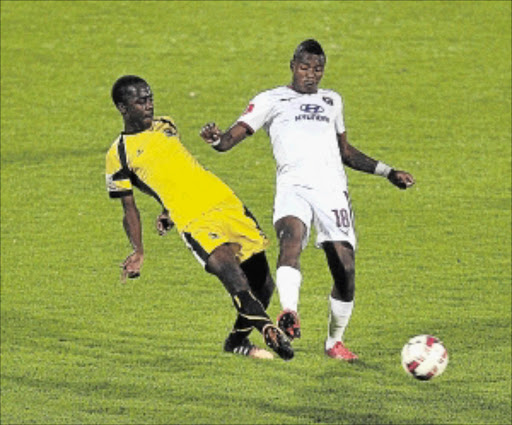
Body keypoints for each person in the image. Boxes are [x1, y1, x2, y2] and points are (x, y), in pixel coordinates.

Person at [200, 39, 415, 361]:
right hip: (293, 187)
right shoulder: (271, 100)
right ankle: (289, 312)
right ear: (292, 65)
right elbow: (231, 138)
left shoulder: (332, 101)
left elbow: (346, 152)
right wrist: (216, 138)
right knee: (291, 240)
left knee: (344, 268)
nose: (311, 75)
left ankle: (334, 343)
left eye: (317, 69)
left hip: (332, 191)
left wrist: (388, 171)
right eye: (305, 67)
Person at [105, 75, 293, 361]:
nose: (149, 105)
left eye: (150, 98)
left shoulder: (166, 125)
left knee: (263, 284)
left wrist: (165, 209)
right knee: (234, 278)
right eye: (140, 101)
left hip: (225, 202)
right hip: (194, 220)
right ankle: (268, 329)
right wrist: (138, 249)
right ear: (123, 107)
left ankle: (237, 340)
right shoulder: (118, 154)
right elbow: (129, 206)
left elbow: (173, 169)